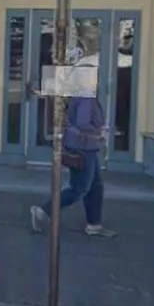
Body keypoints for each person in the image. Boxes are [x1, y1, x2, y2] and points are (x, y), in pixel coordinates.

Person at [30, 92, 116, 238]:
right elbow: (82, 123)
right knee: (79, 188)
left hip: (87, 146)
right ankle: (43, 212)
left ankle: (94, 224)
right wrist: (100, 132)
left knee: (96, 186)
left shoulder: (83, 96)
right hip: (83, 148)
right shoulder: (85, 97)